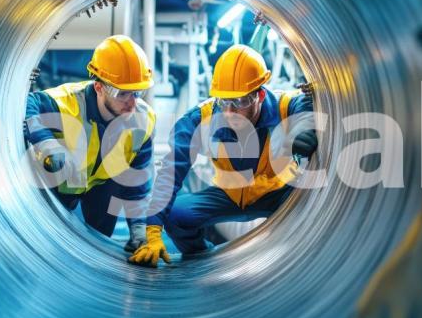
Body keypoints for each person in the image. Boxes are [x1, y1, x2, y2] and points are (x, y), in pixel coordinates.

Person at [128, 44, 318, 267]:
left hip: (279, 195)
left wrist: (303, 129)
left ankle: (293, 261)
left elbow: (306, 102)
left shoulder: (284, 106)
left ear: (260, 95)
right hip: (229, 195)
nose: (229, 112)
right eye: (224, 101)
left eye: (240, 102)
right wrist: (152, 231)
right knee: (176, 215)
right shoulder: (200, 120)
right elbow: (171, 173)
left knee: (310, 206)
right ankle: (204, 261)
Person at [24, 35, 156, 252]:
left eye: (137, 93)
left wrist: (139, 228)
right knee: (53, 242)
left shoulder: (143, 120)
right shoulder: (65, 103)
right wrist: (46, 143)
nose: (132, 103)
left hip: (102, 187)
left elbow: (137, 182)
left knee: (98, 243)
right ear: (99, 87)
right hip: (62, 180)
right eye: (122, 93)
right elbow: (28, 104)